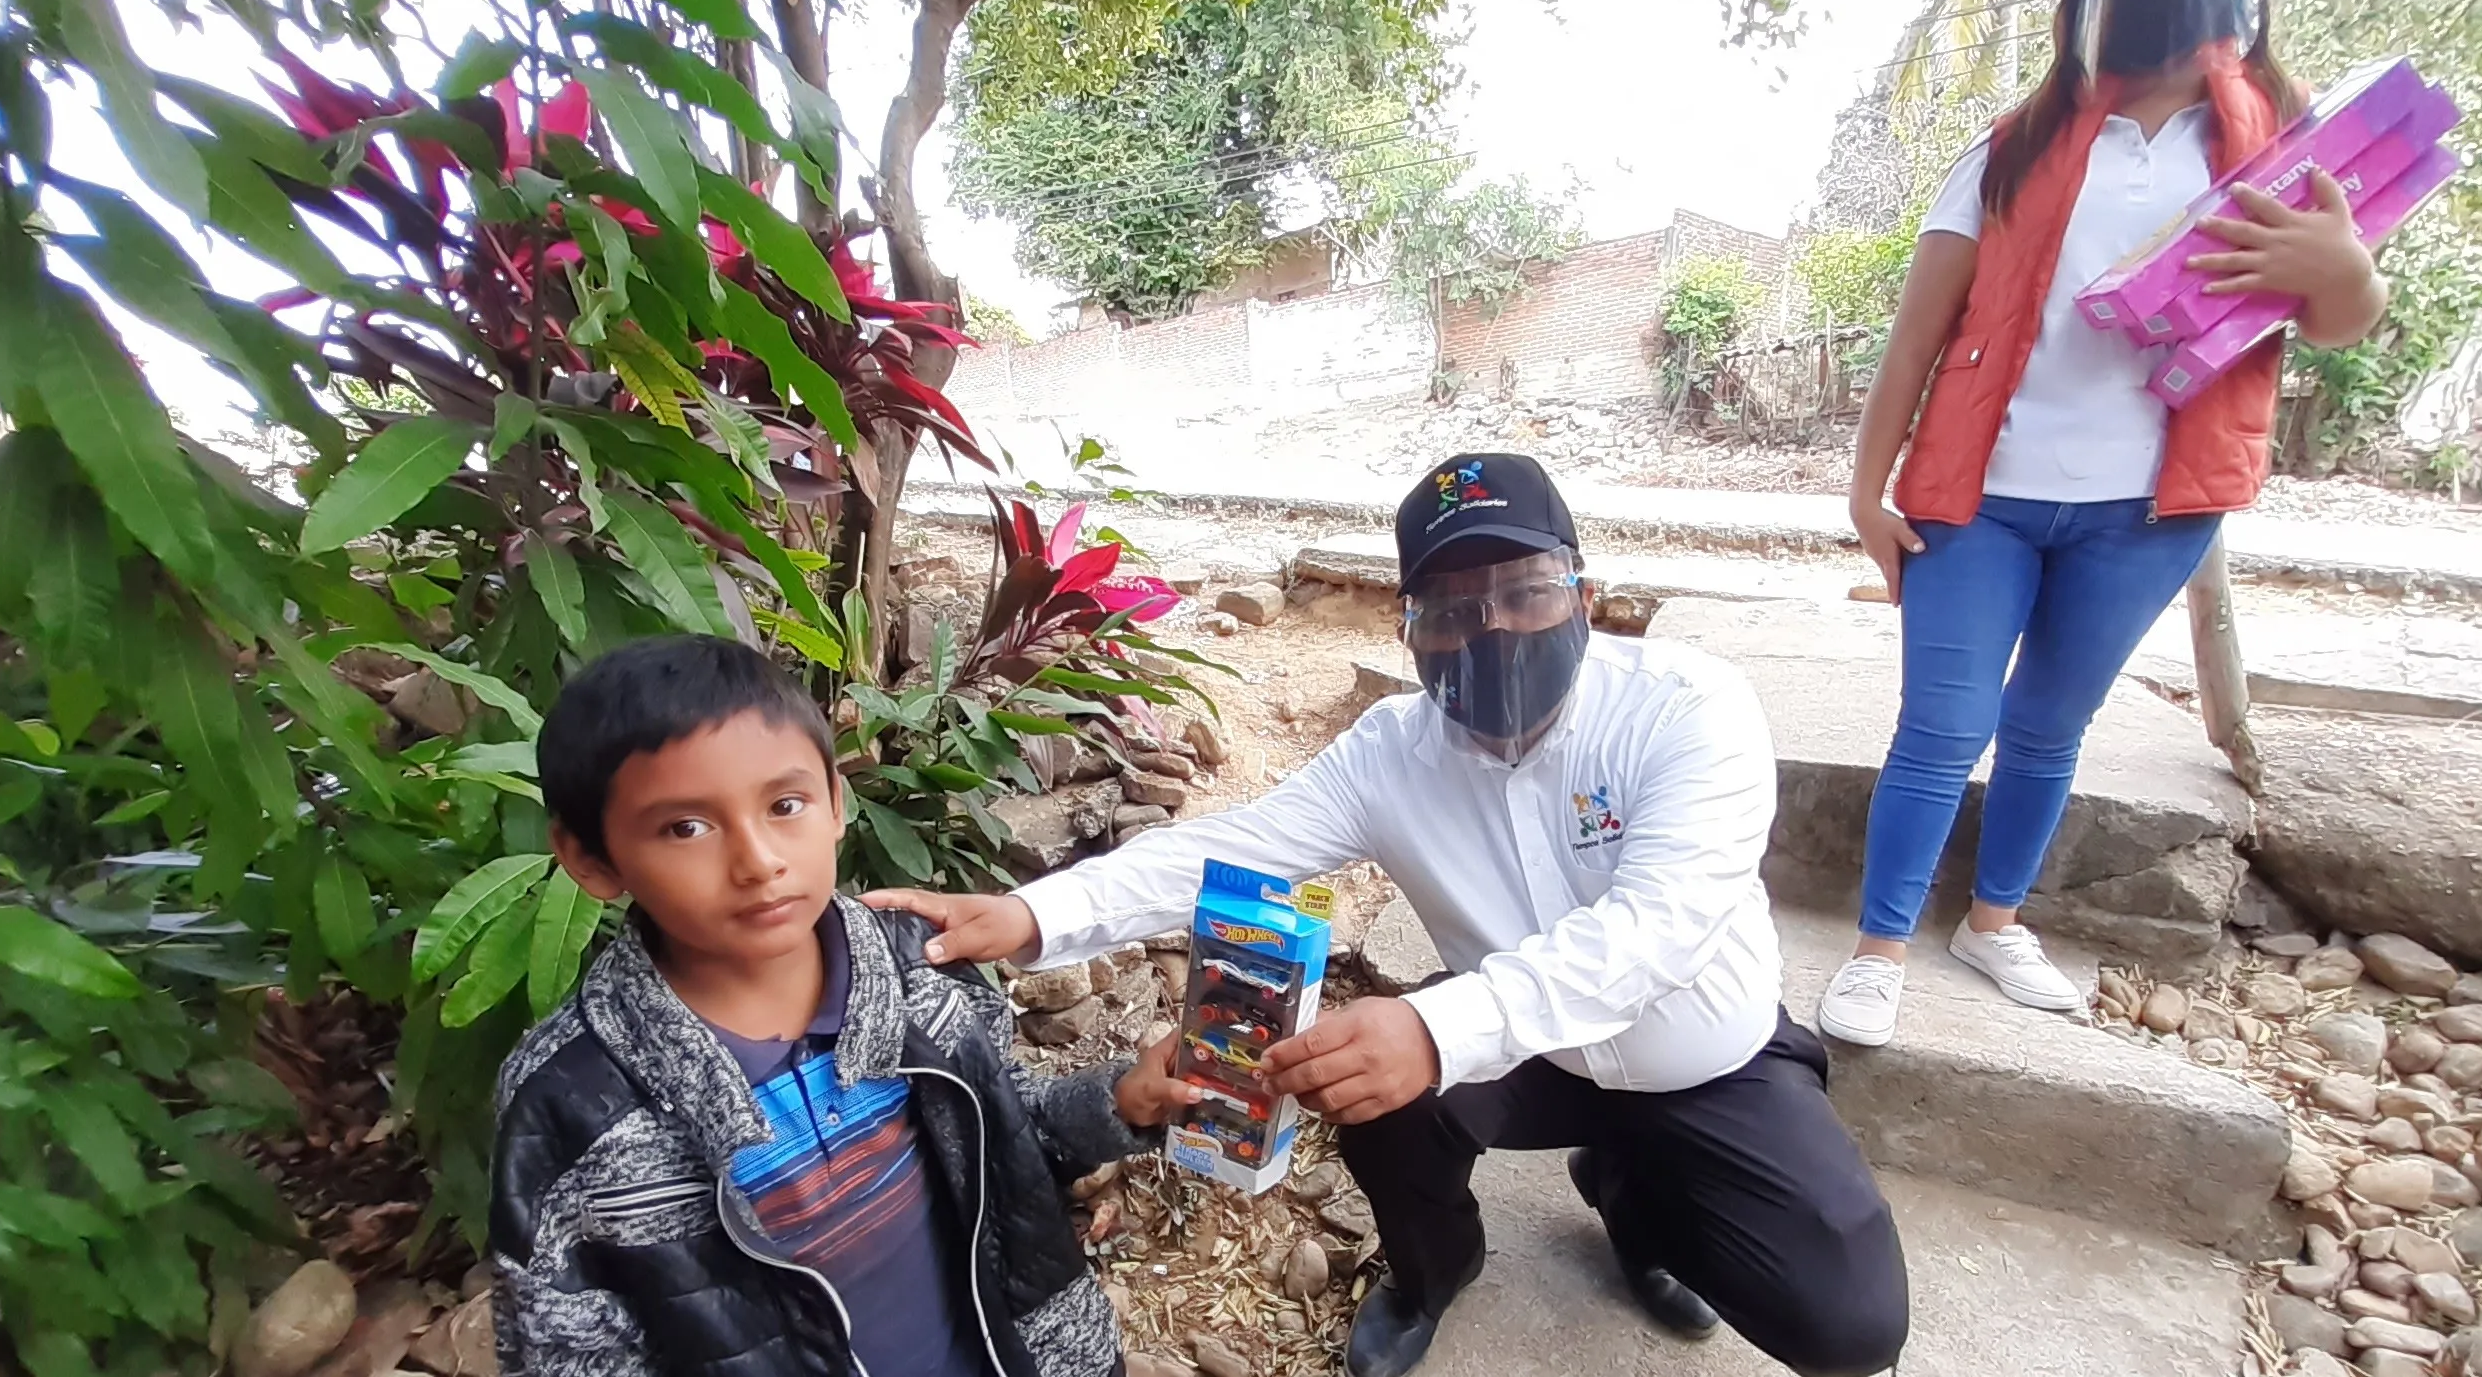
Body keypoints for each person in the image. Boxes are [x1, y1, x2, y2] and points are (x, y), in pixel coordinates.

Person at [870, 453, 1910, 1377]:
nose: (1491, 627)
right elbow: (1222, 850)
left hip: (1705, 1059)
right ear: (1408, 631)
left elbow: (1659, 928)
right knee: (1369, 1088)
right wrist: (1028, 915)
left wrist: (1434, 1028)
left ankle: (1635, 1198)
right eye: (1451, 609)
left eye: (1523, 590)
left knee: (1848, 1326)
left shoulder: (1687, 709)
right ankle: (1428, 1275)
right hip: (1521, 1052)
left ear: (1584, 595)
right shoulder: (1390, 753)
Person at [1814, 0, 2390, 1050]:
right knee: (1941, 726)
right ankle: (1879, 948)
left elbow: (2338, 319)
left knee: (2047, 726)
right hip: (1976, 499)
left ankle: (1992, 922)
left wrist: (2346, 271)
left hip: (2148, 512)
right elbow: (1916, 334)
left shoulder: (2282, 146)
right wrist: (1864, 492)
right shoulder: (2013, 147)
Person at [488, 635, 1197, 1377]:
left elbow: (1010, 1136)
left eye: (784, 805)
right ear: (592, 859)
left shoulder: (917, 969)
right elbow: (570, 1350)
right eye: (685, 827)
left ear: (835, 801)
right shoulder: (573, 1104)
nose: (759, 861)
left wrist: (1120, 1102)